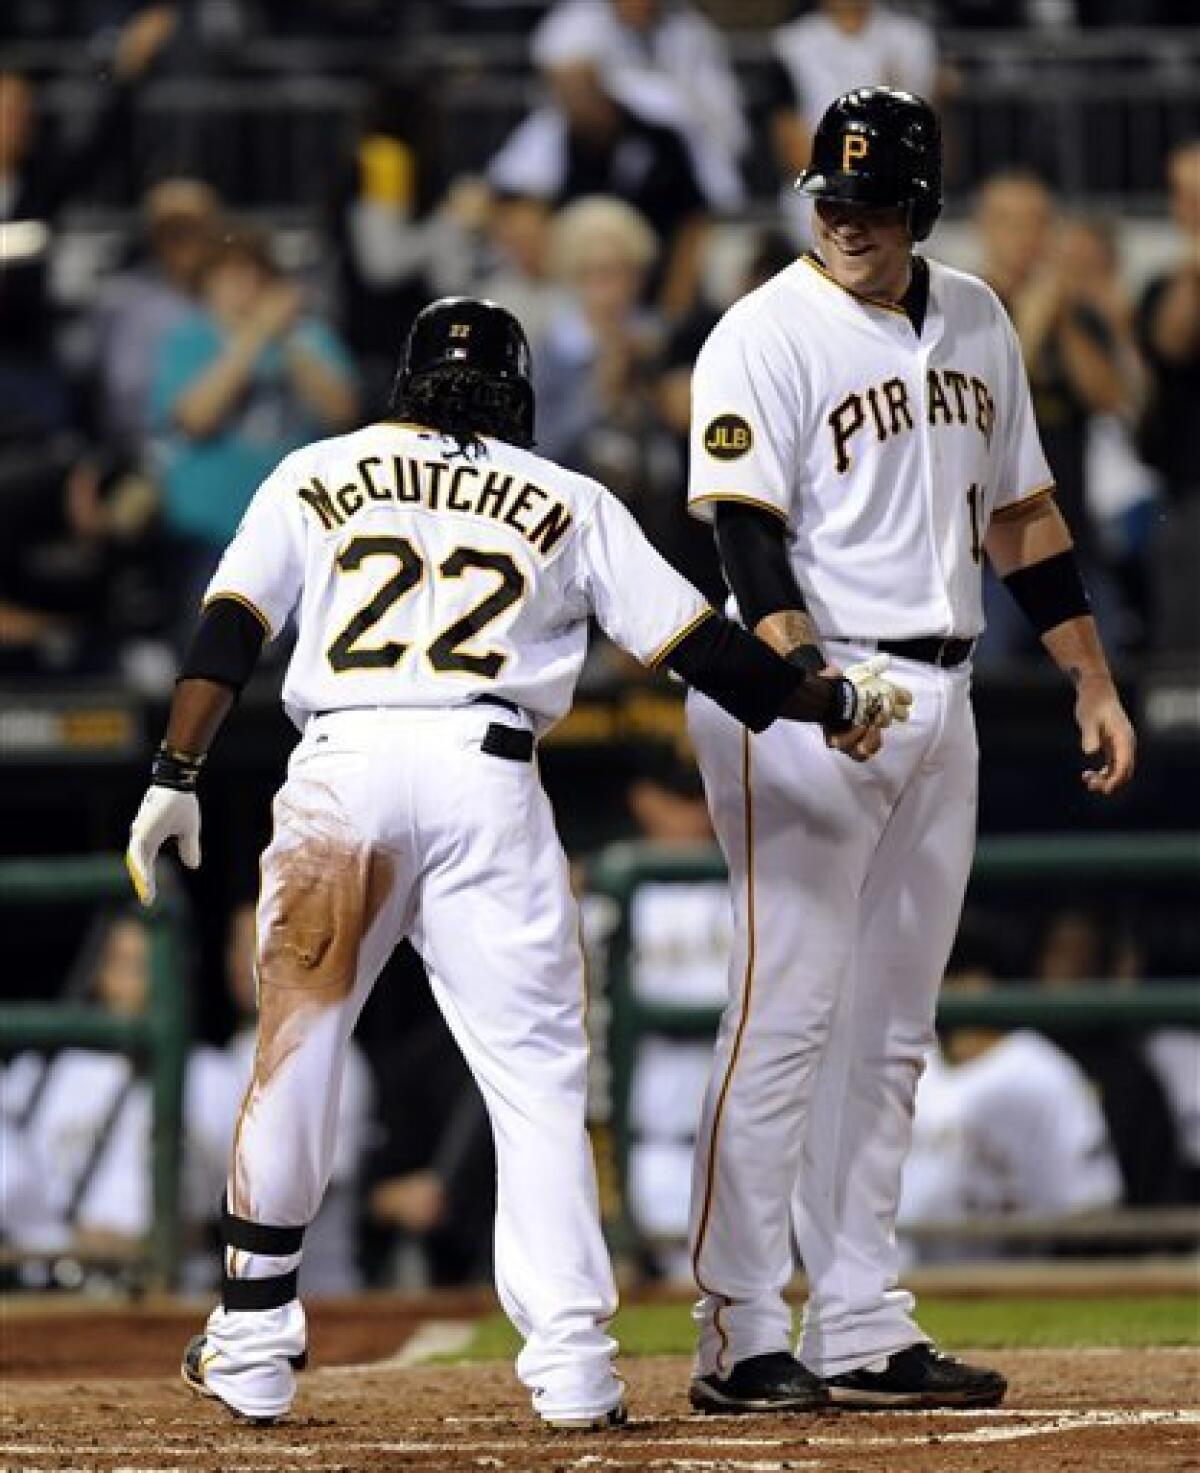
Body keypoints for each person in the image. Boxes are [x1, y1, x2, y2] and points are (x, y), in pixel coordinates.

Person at [124, 295, 912, 1430]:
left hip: (344, 767)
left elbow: (230, 628)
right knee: (537, 1077)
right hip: (486, 770)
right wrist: (830, 698)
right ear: (517, 391)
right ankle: (575, 1364)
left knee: (298, 1045)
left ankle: (250, 1335)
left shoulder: (316, 468)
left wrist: (173, 771)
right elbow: (707, 654)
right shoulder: (564, 495)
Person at [682, 87, 1136, 1416]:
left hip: (944, 684)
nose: (846, 221)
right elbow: (741, 530)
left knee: (891, 1030)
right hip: (805, 684)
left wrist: (1090, 678)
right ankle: (740, 1325)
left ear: (920, 209)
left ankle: (861, 1317)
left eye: (872, 204)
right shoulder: (760, 331)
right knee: (785, 1010)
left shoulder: (982, 317)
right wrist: (804, 672)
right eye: (831, 198)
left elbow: (1026, 517)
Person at [151, 224, 358, 626]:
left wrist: (285, 341)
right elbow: (196, 418)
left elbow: (342, 411)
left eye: (255, 277)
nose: (244, 289)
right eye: (229, 278)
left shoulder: (307, 338)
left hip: (302, 529)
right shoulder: (188, 339)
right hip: (211, 532)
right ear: (206, 286)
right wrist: (255, 335)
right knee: (213, 648)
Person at [1135, 138, 1200, 659]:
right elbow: (1172, 340)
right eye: (1185, 194)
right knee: (1181, 663)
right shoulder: (1168, 288)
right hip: (1186, 495)